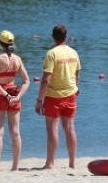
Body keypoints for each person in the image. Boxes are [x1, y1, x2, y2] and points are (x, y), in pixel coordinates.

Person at [34, 24, 80, 170]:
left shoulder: (51, 54)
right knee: (70, 128)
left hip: (54, 96)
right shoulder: (74, 53)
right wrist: (76, 88)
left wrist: (39, 101)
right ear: (66, 37)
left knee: (52, 129)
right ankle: (72, 163)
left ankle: (50, 163)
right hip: (70, 94)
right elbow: (77, 75)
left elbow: (46, 79)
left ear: (53, 37)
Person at [0, 30, 30, 172]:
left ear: (0, 43)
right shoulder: (17, 59)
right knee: (15, 132)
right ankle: (15, 167)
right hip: (14, 93)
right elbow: (26, 81)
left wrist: (6, 96)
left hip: (1, 95)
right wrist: (18, 97)